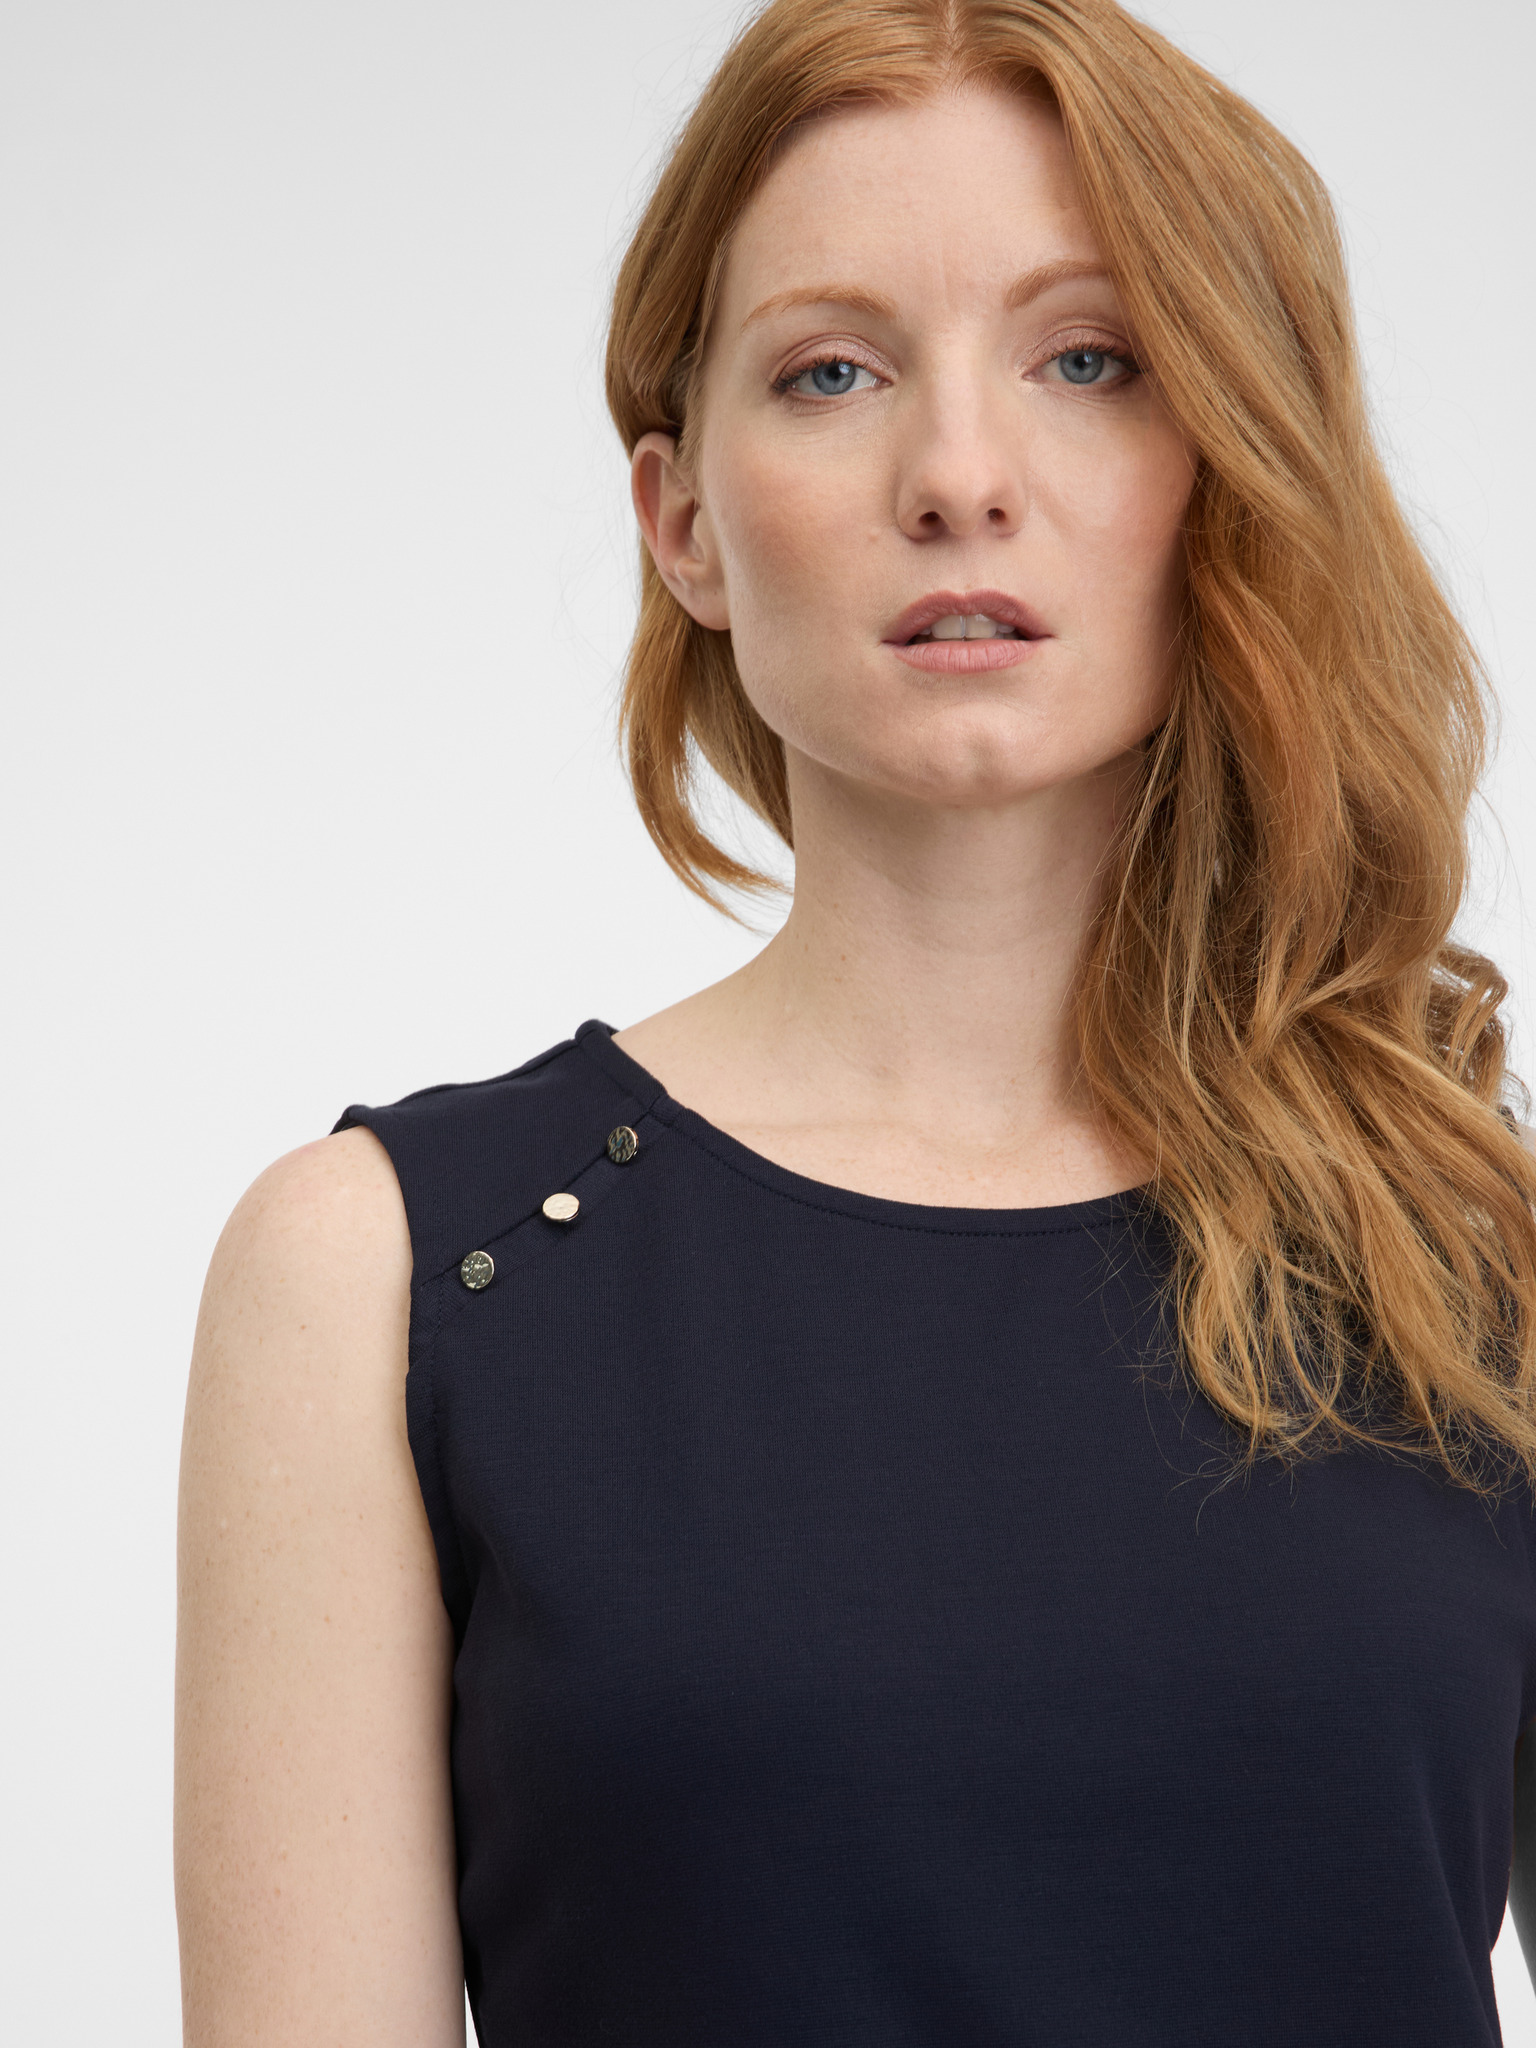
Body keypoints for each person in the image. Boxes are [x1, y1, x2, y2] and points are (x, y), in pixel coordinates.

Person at [173, 0, 1536, 2041]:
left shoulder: (1477, 1259)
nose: (961, 477)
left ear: (1230, 459)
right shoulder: (385, 1276)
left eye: (1090, 358)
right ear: (684, 523)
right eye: (832, 370)